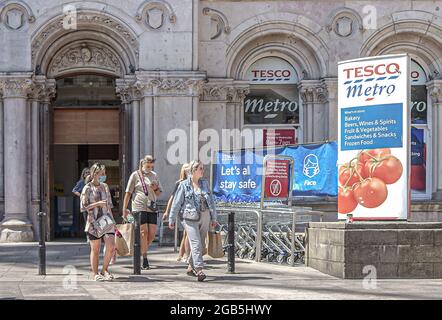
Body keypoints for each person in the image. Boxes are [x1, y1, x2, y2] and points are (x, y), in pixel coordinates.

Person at [169, 160, 217, 282]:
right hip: (189, 217)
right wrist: (171, 218)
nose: (203, 171)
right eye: (200, 168)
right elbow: (176, 203)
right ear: (193, 170)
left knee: (201, 244)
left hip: (205, 216)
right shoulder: (184, 185)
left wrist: (214, 217)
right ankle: (199, 269)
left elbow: (211, 201)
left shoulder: (205, 184)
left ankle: (191, 266)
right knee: (196, 243)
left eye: (203, 168)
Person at [122, 155, 163, 270]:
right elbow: (128, 192)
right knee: (143, 233)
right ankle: (144, 259)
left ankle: (139, 250)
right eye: (148, 166)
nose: (150, 168)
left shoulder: (154, 175)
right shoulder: (135, 175)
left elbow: (159, 192)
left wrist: (155, 188)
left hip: (152, 208)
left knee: (152, 234)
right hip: (138, 207)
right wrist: (124, 209)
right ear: (143, 164)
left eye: (151, 166)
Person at [80, 163, 116, 281]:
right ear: (94, 174)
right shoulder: (87, 188)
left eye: (104, 173)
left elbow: (109, 204)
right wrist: (97, 204)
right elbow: (83, 207)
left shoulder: (105, 186)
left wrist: (113, 221)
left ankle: (104, 269)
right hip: (93, 222)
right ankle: (95, 273)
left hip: (106, 220)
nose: (104, 176)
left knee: (111, 246)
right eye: (102, 174)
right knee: (95, 249)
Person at [163, 163, 191, 262]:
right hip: (182, 211)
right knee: (187, 233)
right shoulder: (179, 183)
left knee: (186, 234)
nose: (188, 171)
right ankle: (186, 256)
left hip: (192, 212)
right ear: (183, 171)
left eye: (189, 169)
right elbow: (173, 197)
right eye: (186, 169)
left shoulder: (194, 181)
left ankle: (182, 255)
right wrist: (167, 211)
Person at [72, 167, 90, 241]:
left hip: (93, 203)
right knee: (87, 220)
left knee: (94, 220)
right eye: (86, 173)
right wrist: (82, 195)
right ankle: (88, 237)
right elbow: (74, 190)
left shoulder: (92, 182)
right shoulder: (81, 182)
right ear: (83, 174)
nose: (88, 174)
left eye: (89, 172)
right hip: (85, 204)